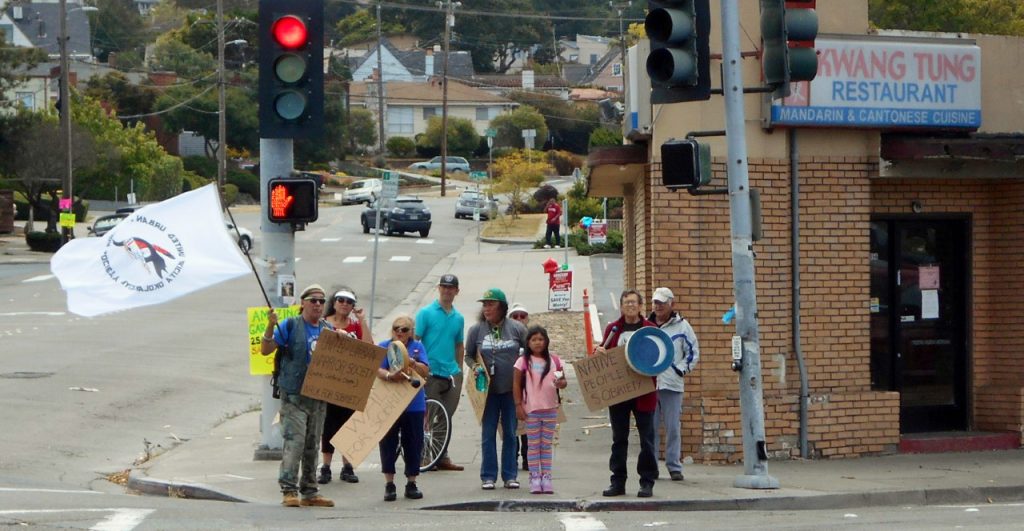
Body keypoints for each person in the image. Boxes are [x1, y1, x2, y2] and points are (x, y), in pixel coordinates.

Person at [261, 284, 337, 508]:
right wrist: (270, 326)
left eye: (322, 301)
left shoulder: (327, 329)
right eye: (313, 300)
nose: (317, 304)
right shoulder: (291, 325)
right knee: (295, 443)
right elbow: (266, 350)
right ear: (302, 302)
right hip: (294, 395)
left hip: (318, 397)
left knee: (313, 444)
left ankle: (310, 491)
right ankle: (289, 490)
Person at [594, 289, 658, 498]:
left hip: (643, 392)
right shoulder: (613, 329)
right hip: (619, 393)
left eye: (633, 303)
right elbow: (602, 358)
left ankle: (647, 482)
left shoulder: (650, 329)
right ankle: (618, 482)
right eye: (626, 303)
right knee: (619, 438)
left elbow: (660, 357)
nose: (630, 306)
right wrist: (599, 353)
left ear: (640, 306)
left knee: (646, 439)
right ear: (621, 307)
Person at [466, 288, 528, 490]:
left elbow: (530, 352)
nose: (486, 308)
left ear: (502, 307)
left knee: (510, 433)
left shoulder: (517, 329)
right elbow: (468, 356)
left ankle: (510, 475)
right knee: (488, 433)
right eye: (484, 304)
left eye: (491, 304)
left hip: (511, 390)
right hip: (488, 392)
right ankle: (488, 476)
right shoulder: (476, 330)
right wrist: (475, 367)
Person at [318, 288, 374, 485]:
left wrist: (362, 321)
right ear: (334, 303)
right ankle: (325, 466)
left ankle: (347, 466)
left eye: (349, 302)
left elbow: (369, 346)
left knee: (349, 424)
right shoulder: (325, 323)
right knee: (328, 425)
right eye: (341, 300)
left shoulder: (355, 326)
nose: (344, 304)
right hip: (330, 380)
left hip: (351, 383)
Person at [414, 274, 466, 471]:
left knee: (446, 417)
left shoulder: (458, 317)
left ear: (456, 291)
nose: (447, 291)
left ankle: (441, 455)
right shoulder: (426, 313)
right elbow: (416, 340)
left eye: (451, 288)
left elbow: (459, 345)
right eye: (444, 287)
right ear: (439, 289)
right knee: (427, 416)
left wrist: (460, 371)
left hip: (451, 374)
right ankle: (424, 456)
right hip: (431, 374)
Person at [377, 315, 431, 501]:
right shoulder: (385, 346)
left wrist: (413, 363)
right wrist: (390, 375)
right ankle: (389, 483)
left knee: (414, 443)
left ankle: (411, 482)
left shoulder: (417, 347)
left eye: (404, 329)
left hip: (413, 404)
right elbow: (378, 369)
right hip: (390, 402)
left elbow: (425, 370)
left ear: (411, 332)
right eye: (396, 328)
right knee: (388, 442)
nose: (400, 332)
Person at [648, 287, 699, 482]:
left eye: (661, 302)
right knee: (650, 429)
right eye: (655, 302)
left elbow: (693, 351)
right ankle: (651, 467)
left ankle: (674, 466)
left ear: (672, 304)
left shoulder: (683, 327)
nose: (657, 306)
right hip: (650, 385)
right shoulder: (647, 325)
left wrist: (680, 369)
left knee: (672, 428)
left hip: (672, 384)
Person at [513, 326, 567, 494]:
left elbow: (563, 381)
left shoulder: (555, 361)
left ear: (546, 341)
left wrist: (561, 383)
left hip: (550, 408)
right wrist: (518, 405)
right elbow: (515, 384)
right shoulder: (522, 362)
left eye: (541, 339)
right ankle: (534, 477)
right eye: (534, 339)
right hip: (532, 410)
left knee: (546, 445)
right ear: (528, 343)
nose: (537, 343)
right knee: (533, 445)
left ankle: (546, 477)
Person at [508, 303, 531, 471]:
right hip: (510, 386)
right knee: (512, 425)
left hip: (530, 388)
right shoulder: (507, 337)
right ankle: (512, 457)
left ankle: (528, 458)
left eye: (522, 316)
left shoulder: (534, 338)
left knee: (528, 425)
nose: (519, 319)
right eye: (515, 316)